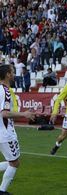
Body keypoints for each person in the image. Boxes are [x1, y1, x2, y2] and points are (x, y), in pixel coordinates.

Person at [0, 65, 35, 194]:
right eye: (13, 72)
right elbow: (4, 113)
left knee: (12, 161)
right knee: (14, 163)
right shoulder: (5, 91)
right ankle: (2, 191)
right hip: (5, 133)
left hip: (2, 131)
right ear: (8, 75)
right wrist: (24, 114)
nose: (14, 74)